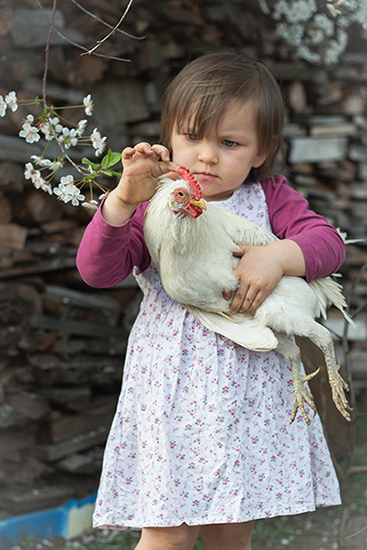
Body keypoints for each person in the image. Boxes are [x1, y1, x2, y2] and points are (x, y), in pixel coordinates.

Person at [76, 51, 345, 550]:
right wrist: (121, 202)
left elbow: (327, 244)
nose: (206, 156)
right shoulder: (156, 202)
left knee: (232, 531)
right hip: (173, 386)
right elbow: (97, 270)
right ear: (170, 135)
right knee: (168, 535)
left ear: (261, 151)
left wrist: (279, 256)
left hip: (250, 390)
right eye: (192, 137)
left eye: (230, 143)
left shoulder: (270, 198)